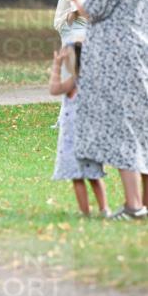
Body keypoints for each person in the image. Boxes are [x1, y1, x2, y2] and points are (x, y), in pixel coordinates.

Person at [46, 0, 148, 220]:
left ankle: (133, 205)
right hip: (140, 49)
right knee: (140, 126)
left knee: (123, 128)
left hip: (117, 55)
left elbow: (92, 9)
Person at [48, 43, 109, 217]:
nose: (63, 59)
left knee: (86, 176)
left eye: (65, 57)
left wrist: (56, 66)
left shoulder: (75, 81)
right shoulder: (87, 81)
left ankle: (97, 210)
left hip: (80, 139)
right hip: (79, 139)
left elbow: (53, 89)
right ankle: (95, 210)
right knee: (87, 176)